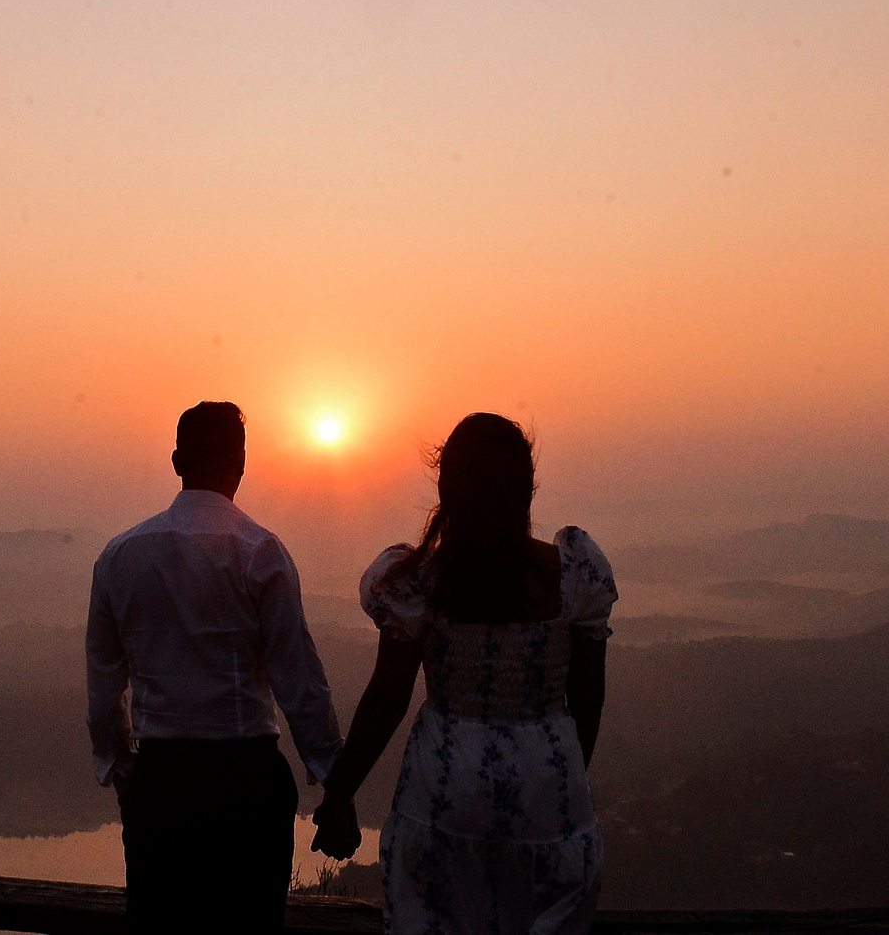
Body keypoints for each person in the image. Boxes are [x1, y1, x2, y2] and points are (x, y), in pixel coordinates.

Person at [312, 413, 616, 935]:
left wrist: (338, 795)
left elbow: (387, 699)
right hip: (548, 800)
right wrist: (558, 774)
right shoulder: (574, 576)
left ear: (447, 488)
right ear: (526, 488)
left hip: (444, 798)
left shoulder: (418, 582)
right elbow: (587, 703)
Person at [87, 401, 345, 935]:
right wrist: (335, 787)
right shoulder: (261, 552)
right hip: (248, 782)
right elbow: (300, 684)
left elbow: (104, 692)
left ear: (177, 461)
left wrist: (124, 774)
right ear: (241, 464)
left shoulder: (120, 556)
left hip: (160, 785)